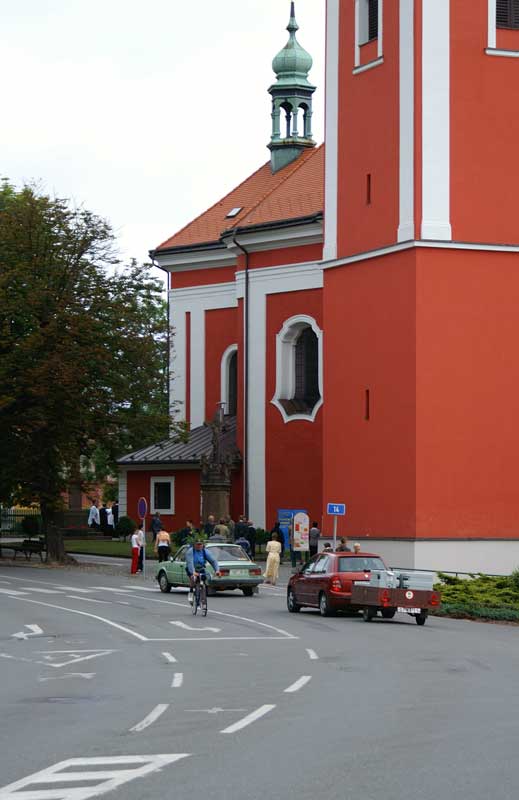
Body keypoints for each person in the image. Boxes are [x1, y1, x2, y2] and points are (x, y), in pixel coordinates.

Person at [185, 538, 221, 605]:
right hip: (191, 568)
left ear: (202, 545)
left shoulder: (205, 551)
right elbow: (190, 563)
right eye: (197, 544)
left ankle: (202, 594)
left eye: (200, 544)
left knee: (204, 579)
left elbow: (213, 561)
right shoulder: (190, 551)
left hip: (201, 568)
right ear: (194, 545)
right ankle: (191, 591)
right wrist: (193, 572)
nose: (199, 546)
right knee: (193, 579)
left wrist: (217, 570)